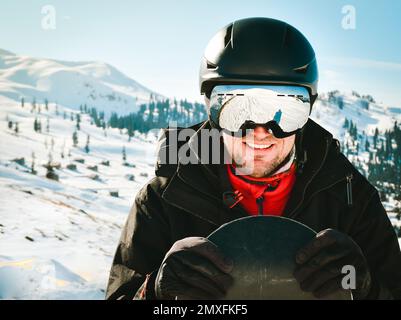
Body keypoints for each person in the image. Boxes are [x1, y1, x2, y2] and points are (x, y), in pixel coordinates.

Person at [105, 17, 401, 300]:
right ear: (210, 108)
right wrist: (155, 291)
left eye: (284, 112)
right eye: (237, 109)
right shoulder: (164, 198)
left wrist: (367, 288)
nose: (260, 133)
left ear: (309, 108)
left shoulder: (349, 198)